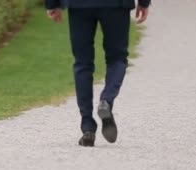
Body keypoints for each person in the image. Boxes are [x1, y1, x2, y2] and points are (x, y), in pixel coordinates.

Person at [45, 0, 151, 147]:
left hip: (79, 6)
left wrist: (52, 4)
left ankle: (88, 128)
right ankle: (106, 101)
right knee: (117, 59)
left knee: (83, 63)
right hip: (116, 6)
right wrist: (144, 3)